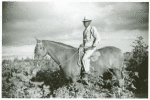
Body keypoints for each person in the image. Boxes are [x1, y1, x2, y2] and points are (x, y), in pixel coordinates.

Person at [79, 16, 101, 83]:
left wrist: (93, 45)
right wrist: (82, 45)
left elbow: (98, 38)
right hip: (85, 48)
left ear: (89, 22)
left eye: (86, 22)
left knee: (84, 58)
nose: (85, 23)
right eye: (84, 22)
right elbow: (85, 42)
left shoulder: (92, 28)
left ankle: (86, 75)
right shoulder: (84, 31)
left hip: (91, 48)